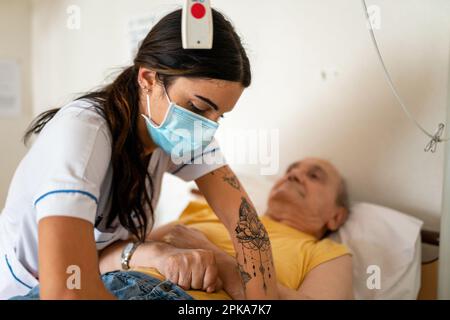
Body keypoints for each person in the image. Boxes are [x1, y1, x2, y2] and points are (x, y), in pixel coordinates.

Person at [0, 9, 277, 300]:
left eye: (218, 116)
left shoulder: (181, 131)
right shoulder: (83, 134)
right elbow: (66, 292)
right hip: (23, 289)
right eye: (198, 108)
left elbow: (248, 230)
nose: (206, 127)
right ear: (148, 78)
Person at [100, 158, 354, 300]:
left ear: (336, 216)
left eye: (314, 176)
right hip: (107, 287)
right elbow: (97, 259)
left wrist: (217, 258)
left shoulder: (327, 253)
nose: (293, 175)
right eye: (290, 171)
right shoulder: (207, 210)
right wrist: (159, 255)